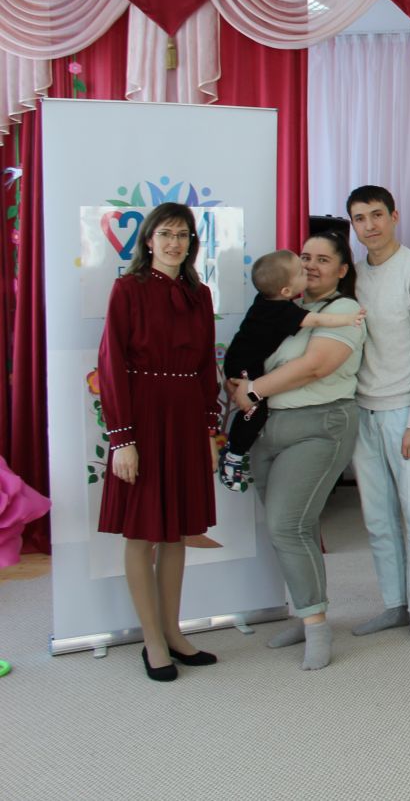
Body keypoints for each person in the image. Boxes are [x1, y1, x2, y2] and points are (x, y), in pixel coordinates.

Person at [226, 231, 367, 671]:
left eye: (323, 259)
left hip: (319, 426)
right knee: (288, 528)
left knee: (288, 525)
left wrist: (251, 390)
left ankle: (317, 626)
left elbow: (314, 366)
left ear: (342, 270)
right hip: (267, 428)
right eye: (305, 257)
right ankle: (308, 614)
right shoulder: (282, 309)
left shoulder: (343, 310)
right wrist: (238, 384)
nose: (311, 264)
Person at [96, 203, 222, 681]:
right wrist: (122, 439)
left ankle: (173, 632)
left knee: (177, 531)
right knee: (142, 531)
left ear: (192, 243)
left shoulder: (199, 294)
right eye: (166, 233)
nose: (174, 242)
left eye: (183, 235)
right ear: (148, 240)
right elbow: (111, 363)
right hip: (143, 415)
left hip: (186, 417)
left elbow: (206, 364)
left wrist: (209, 429)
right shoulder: (128, 289)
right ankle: (151, 640)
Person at [346, 186, 410, 647]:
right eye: (359, 218)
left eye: (376, 215)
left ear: (394, 216)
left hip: (406, 412)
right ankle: (394, 604)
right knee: (378, 519)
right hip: (361, 412)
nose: (369, 225)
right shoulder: (352, 277)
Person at [216, 250, 364, 489]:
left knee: (255, 407)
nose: (308, 270)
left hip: (240, 361)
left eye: (320, 260)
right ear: (285, 291)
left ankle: (236, 452)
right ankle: (234, 455)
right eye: (302, 269)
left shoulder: (267, 300)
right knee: (254, 409)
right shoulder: (281, 310)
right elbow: (316, 320)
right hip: (243, 365)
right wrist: (348, 320)